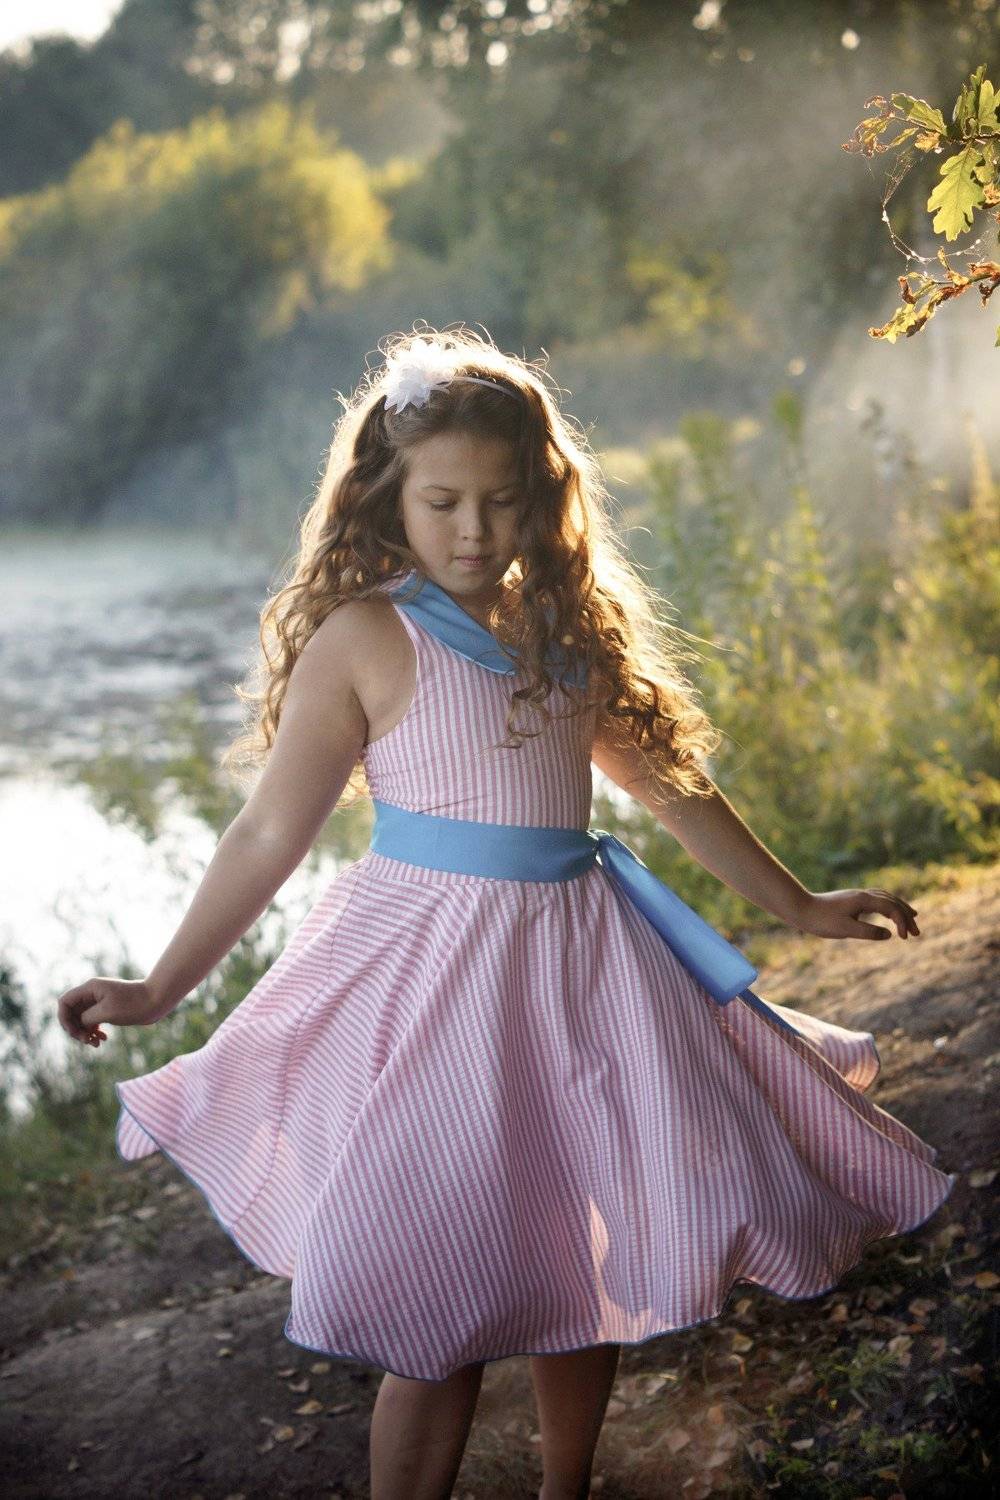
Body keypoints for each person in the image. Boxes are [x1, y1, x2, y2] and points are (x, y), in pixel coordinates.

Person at [56, 327, 956, 1500]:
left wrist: (797, 902)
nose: (473, 530)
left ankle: (563, 1487)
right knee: (440, 1284)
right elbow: (269, 832)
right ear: (387, 499)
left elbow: (669, 785)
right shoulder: (365, 637)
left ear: (543, 497)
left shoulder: (566, 632)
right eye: (442, 503)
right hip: (440, 980)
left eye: (501, 501)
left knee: (579, 1245)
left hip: (583, 969)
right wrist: (157, 988)